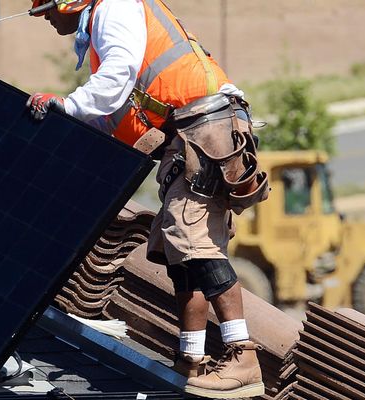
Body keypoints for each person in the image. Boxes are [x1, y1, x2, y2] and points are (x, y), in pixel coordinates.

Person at [25, 0, 269, 398]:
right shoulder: (107, 25)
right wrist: (68, 124)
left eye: (46, 9)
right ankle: (191, 359)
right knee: (178, 248)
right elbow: (114, 113)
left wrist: (67, 104)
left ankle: (242, 357)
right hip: (194, 135)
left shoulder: (113, 9)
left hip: (204, 132)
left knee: (194, 243)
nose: (47, 18)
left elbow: (117, 77)